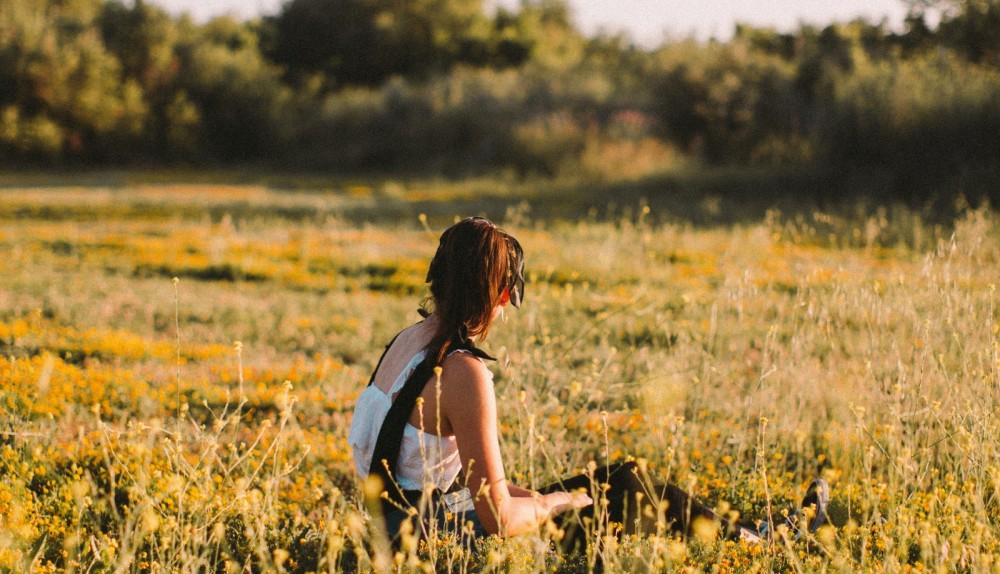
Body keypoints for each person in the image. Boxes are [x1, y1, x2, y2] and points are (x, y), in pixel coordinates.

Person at [347, 216, 828, 553]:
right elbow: (495, 519)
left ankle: (754, 535)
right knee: (624, 492)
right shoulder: (462, 371)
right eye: (506, 296)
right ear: (496, 293)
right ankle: (765, 543)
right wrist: (553, 501)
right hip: (435, 546)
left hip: (394, 530)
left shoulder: (409, 342)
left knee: (615, 479)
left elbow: (418, 478)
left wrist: (533, 497)